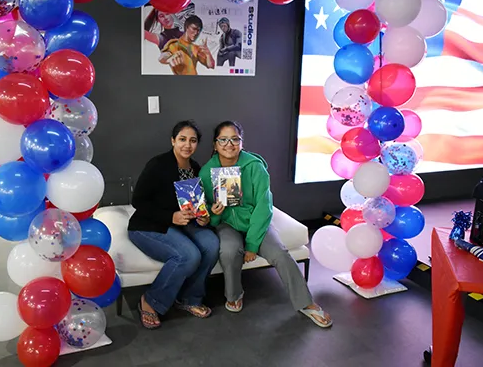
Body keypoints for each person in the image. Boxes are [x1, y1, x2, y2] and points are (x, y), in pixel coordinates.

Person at [199, 121, 333, 328]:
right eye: (223, 139)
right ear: (215, 144)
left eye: (235, 139)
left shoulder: (254, 166)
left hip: (255, 222)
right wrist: (215, 215)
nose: (229, 144)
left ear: (241, 142)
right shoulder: (207, 171)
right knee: (228, 250)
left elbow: (264, 206)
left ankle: (307, 303)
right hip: (226, 224)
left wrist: (252, 245)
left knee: (280, 254)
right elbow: (207, 210)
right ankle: (234, 295)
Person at [128, 121, 220, 329]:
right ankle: (150, 301)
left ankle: (190, 298)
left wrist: (202, 217)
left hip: (182, 223)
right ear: (173, 140)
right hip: (147, 226)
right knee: (188, 255)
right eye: (182, 139)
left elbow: (194, 203)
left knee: (212, 244)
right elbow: (138, 202)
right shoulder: (158, 165)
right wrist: (171, 216)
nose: (187, 145)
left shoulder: (195, 167)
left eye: (193, 141)